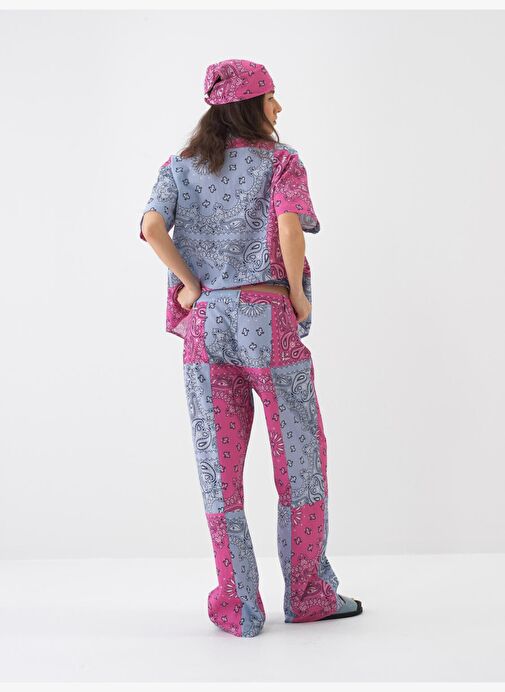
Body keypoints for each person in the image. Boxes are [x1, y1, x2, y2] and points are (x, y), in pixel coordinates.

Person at [139, 58, 363, 638]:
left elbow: (151, 227)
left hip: (206, 327)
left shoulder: (178, 166)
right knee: (300, 457)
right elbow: (289, 228)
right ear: (249, 104)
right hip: (267, 318)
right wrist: (298, 297)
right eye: (271, 97)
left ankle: (239, 606)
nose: (278, 107)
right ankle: (308, 594)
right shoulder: (281, 161)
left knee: (218, 465)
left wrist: (191, 284)